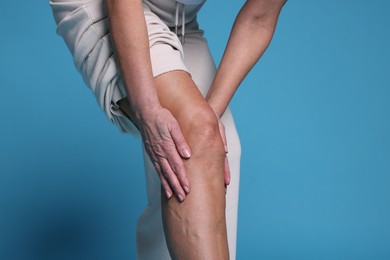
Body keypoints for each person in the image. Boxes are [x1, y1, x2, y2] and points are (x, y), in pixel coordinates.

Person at [50, 0, 286, 259]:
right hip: (107, 5)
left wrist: (209, 119)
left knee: (215, 149)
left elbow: (259, 17)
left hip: (181, 22)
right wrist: (148, 109)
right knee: (190, 140)